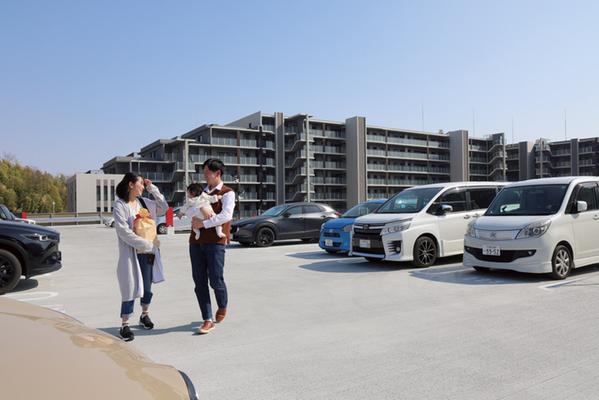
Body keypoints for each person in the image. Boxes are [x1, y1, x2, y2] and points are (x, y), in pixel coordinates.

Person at [113, 173, 168, 341]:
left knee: (147, 287)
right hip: (131, 253)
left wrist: (153, 188)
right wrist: (146, 244)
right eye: (141, 184)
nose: (143, 187)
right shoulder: (120, 205)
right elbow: (123, 232)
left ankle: (144, 314)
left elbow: (164, 207)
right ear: (131, 185)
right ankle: (125, 324)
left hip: (147, 254)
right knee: (130, 287)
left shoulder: (143, 202)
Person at [189, 159, 235, 334]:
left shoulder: (228, 193)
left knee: (216, 279)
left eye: (207, 172)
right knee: (199, 281)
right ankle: (207, 319)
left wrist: (203, 224)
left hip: (216, 242)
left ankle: (222, 305)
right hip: (196, 242)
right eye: (204, 172)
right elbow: (191, 210)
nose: (205, 175)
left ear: (217, 173)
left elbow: (226, 216)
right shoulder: (200, 192)